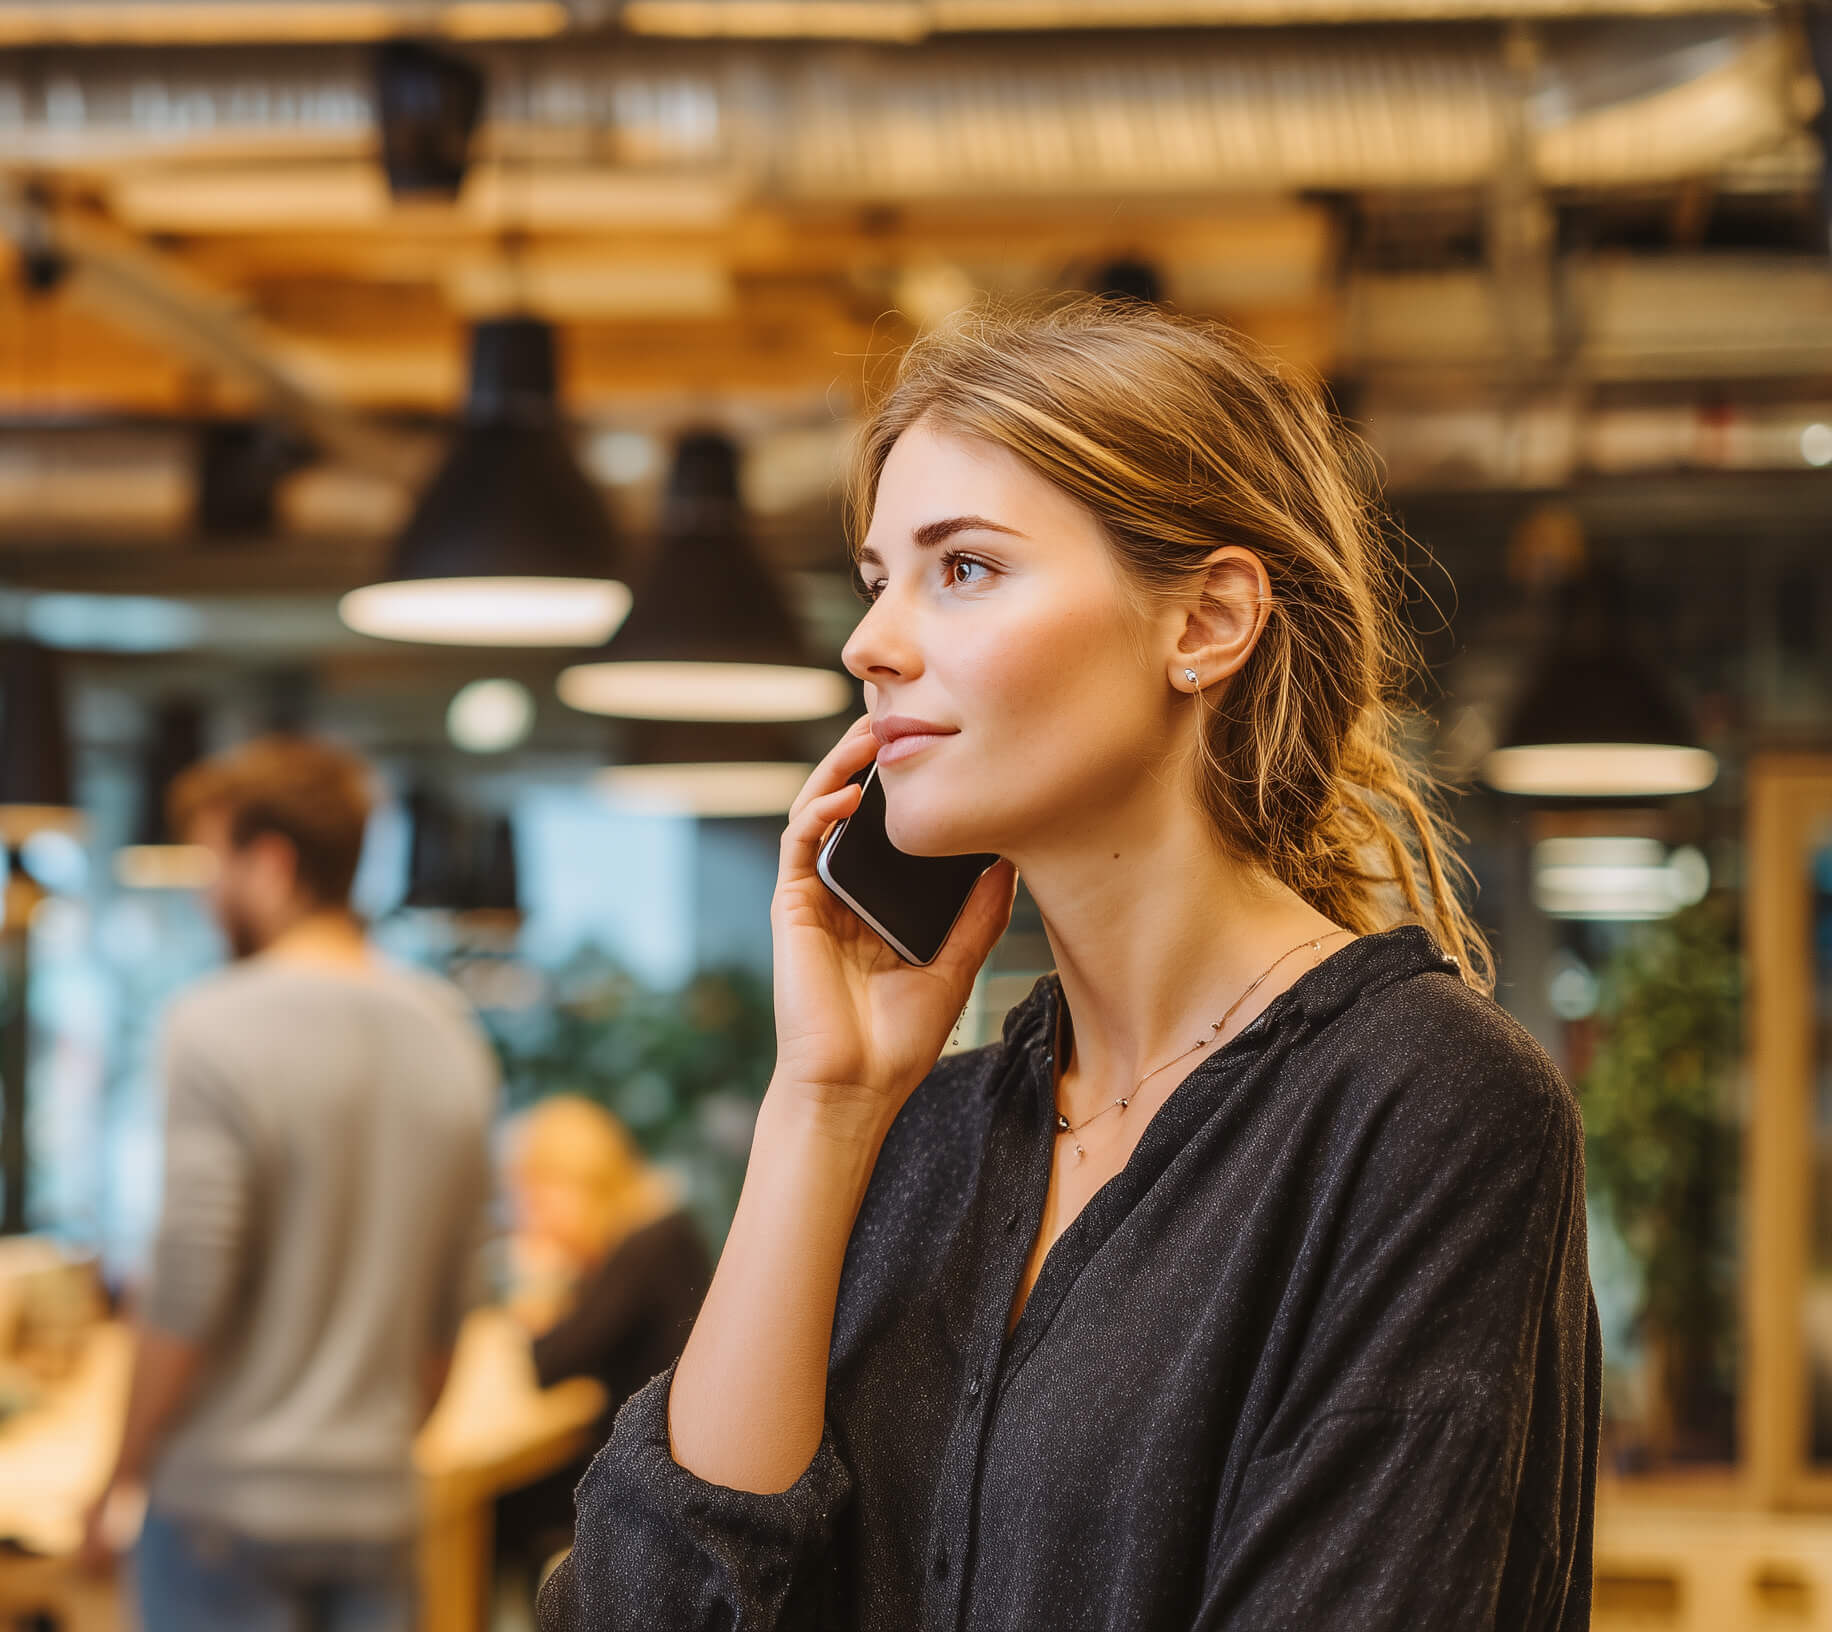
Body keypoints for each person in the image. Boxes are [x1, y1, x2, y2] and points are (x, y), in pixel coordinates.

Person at [540, 302, 1598, 1631]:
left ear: (1206, 622)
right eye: (878, 579)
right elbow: (640, 1613)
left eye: (964, 569)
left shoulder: (1428, 1109)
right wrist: (825, 1108)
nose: (871, 642)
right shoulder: (922, 1136)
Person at [83, 735, 499, 1632]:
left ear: (269, 865)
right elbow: (454, 1300)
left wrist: (119, 1473)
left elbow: (191, 1280)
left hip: (224, 1514)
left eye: (212, 865)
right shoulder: (451, 1036)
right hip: (379, 1507)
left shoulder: (214, 1025)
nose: (205, 896)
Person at [491, 1097, 710, 1578]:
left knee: (497, 1514)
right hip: (676, 1473)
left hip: (653, 1492)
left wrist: (538, 1281)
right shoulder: (665, 1231)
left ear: (564, 1186)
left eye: (529, 1197)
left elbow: (550, 1364)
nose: (528, 1217)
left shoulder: (643, 1248)